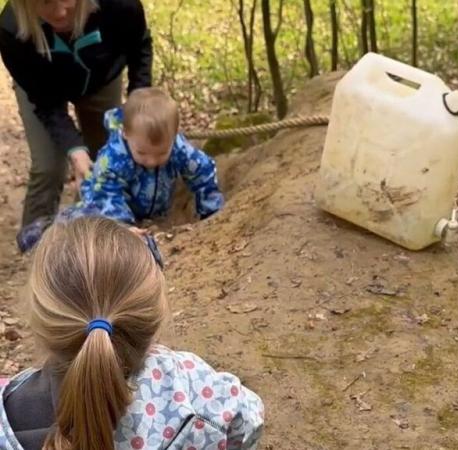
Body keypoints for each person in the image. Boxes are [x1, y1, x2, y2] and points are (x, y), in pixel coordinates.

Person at [0, 217, 264, 450]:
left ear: (41, 319)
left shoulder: (9, 413)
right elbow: (248, 422)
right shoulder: (196, 387)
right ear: (154, 313)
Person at [0, 0, 153, 231]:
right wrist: (74, 150)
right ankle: (35, 244)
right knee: (48, 168)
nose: (59, 12)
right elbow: (45, 104)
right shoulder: (11, 27)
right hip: (43, 89)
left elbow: (139, 47)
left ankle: (91, 231)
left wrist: (136, 105)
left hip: (102, 77)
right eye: (45, 3)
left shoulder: (120, 5)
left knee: (106, 157)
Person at [16, 87, 224, 253]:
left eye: (161, 154)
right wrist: (123, 226)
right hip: (103, 200)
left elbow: (203, 171)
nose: (151, 161)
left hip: (147, 208)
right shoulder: (115, 156)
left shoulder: (179, 148)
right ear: (126, 133)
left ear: (174, 136)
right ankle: (42, 232)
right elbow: (106, 193)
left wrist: (210, 210)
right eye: (142, 153)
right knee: (83, 221)